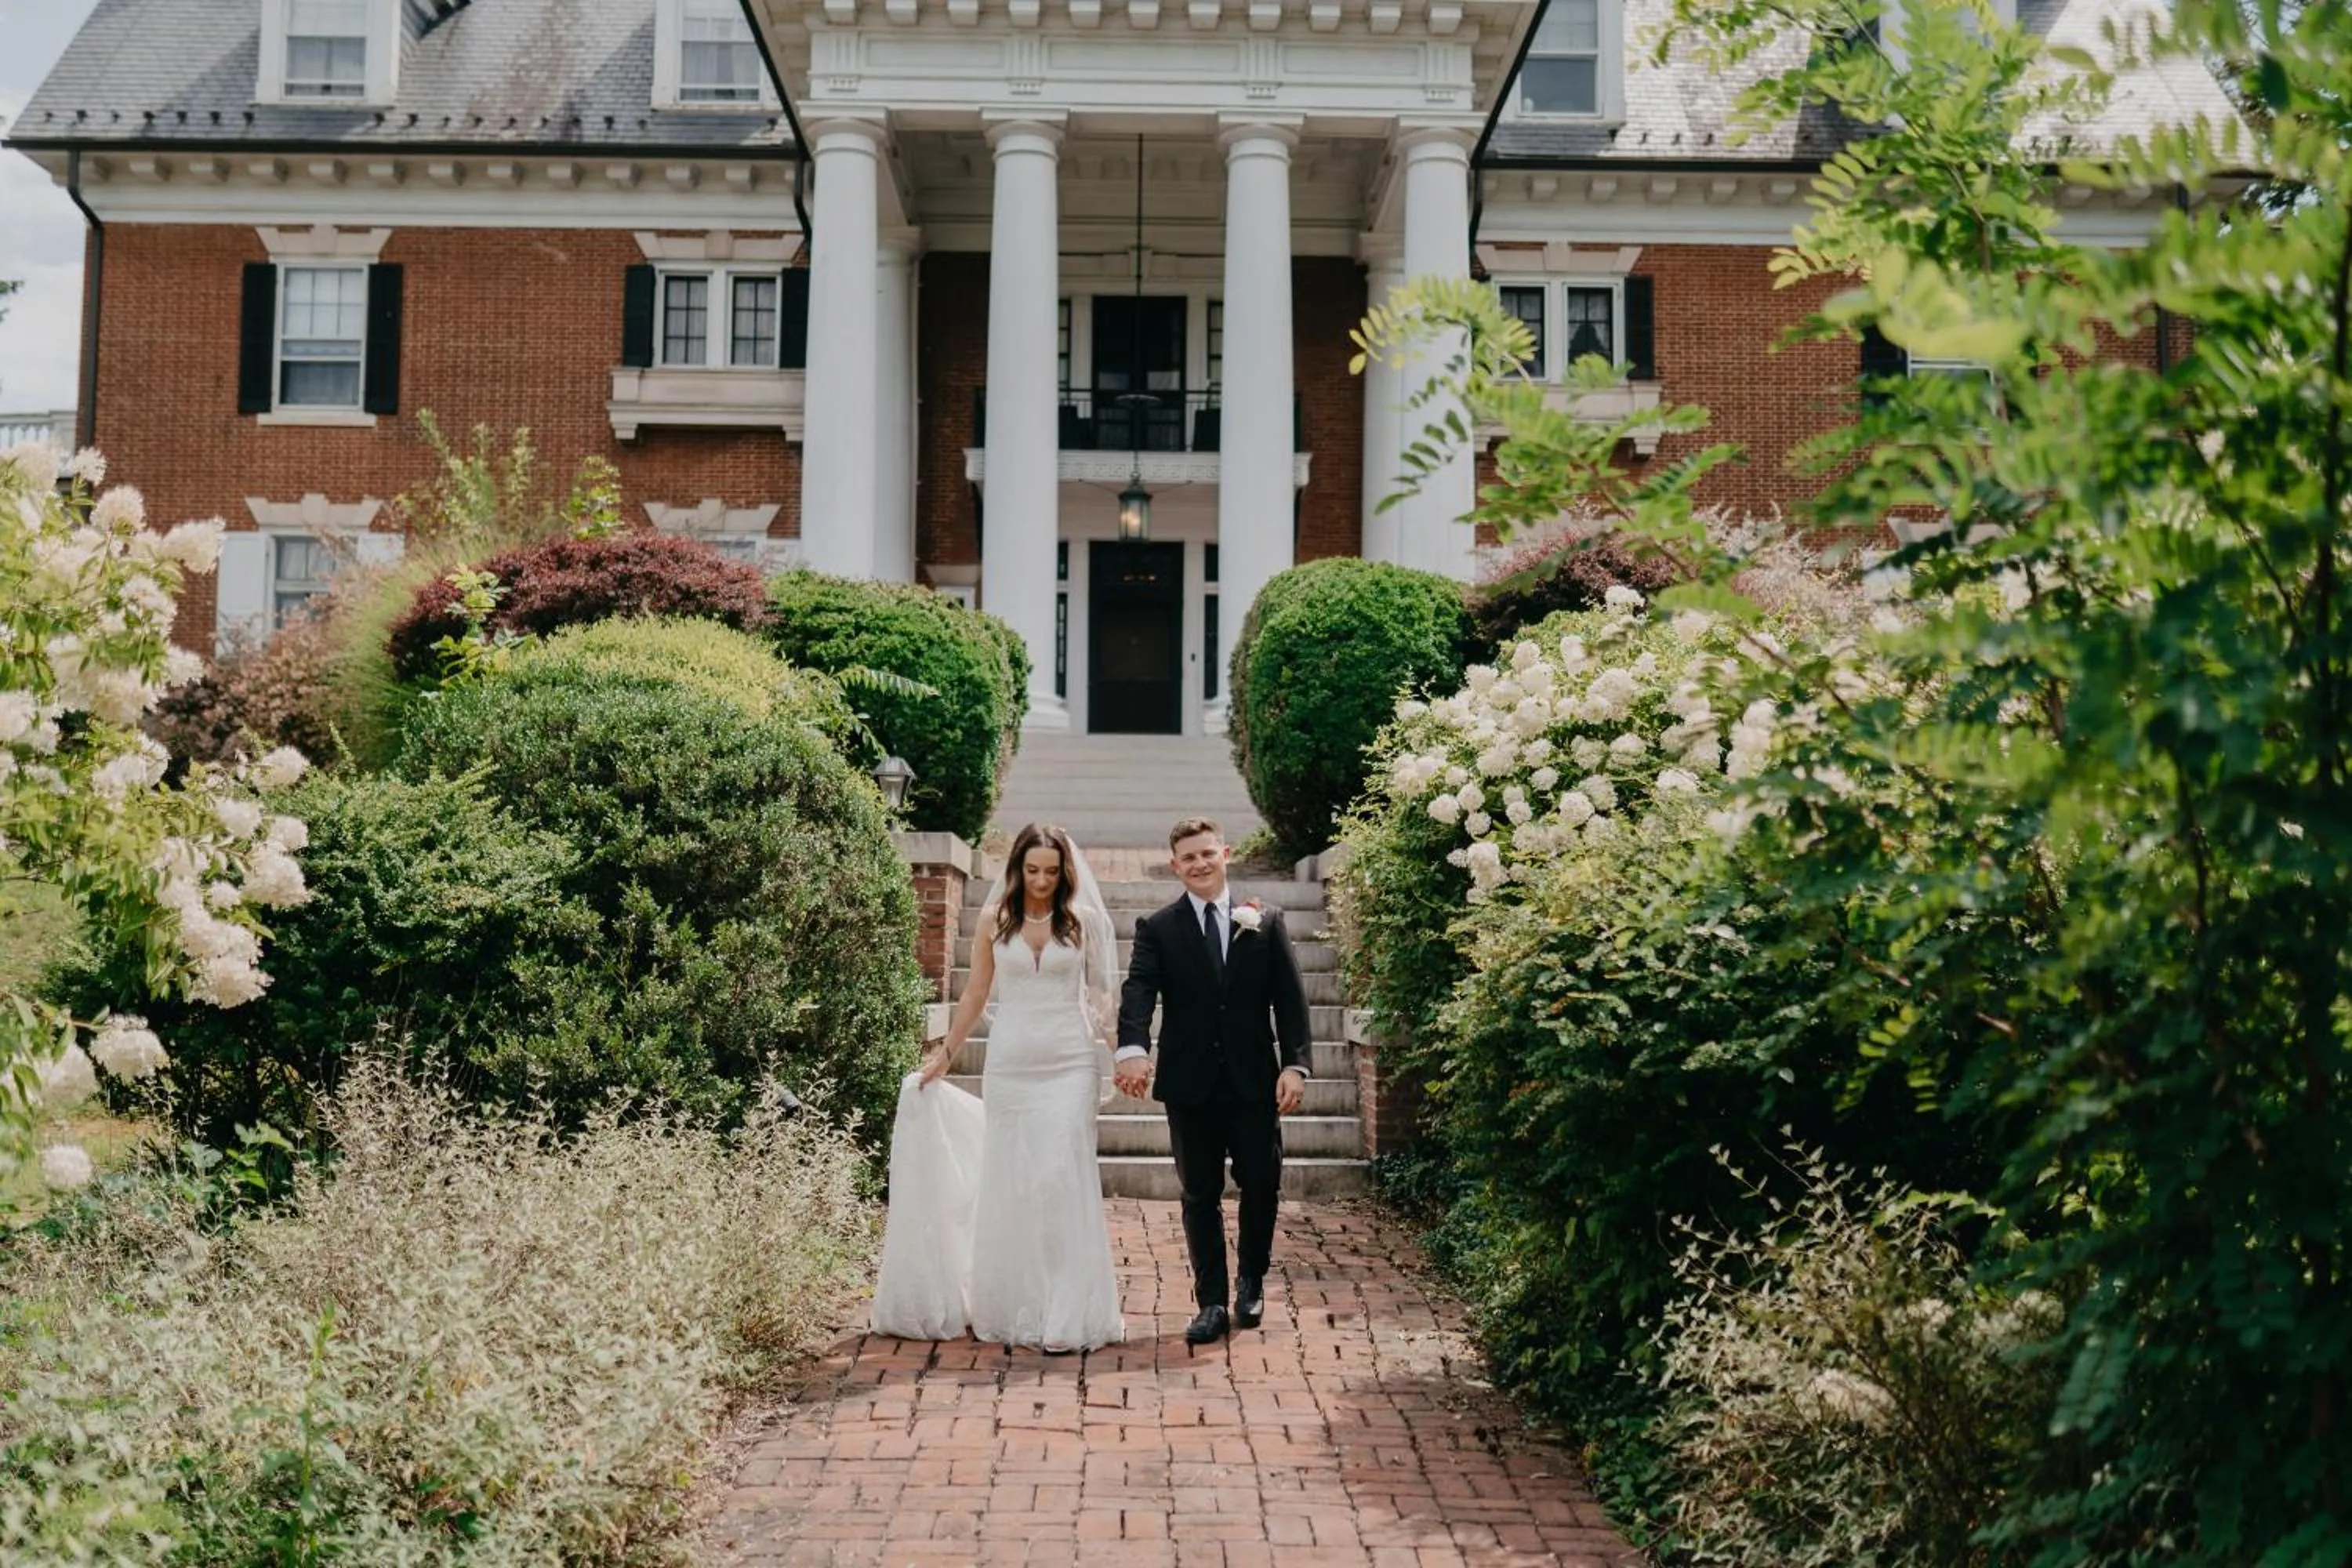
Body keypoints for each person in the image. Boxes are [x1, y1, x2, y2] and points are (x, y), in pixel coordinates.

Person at [869, 822, 1126, 1353]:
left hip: (1070, 1062)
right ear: (1017, 869)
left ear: (1065, 872)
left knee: (1061, 1176)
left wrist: (1124, 1052)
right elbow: (975, 994)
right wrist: (944, 1054)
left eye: (1052, 872)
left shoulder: (1085, 921)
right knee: (1016, 1181)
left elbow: (1102, 997)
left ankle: (1068, 1310)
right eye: (1032, 870)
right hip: (1011, 1065)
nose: (1041, 880)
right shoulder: (995, 919)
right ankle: (1014, 1305)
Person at [1113, 817, 1312, 1345]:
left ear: (1225, 853)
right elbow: (1139, 992)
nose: (1200, 864)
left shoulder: (1265, 921)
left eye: (1207, 853)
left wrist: (1295, 1064)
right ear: (1175, 866)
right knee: (1199, 1192)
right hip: (1190, 1083)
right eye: (1189, 858)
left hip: (1254, 1080)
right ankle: (1211, 1303)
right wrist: (1133, 1048)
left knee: (1262, 1182)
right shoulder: (1157, 928)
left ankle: (1251, 1278)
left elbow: (1290, 1001)